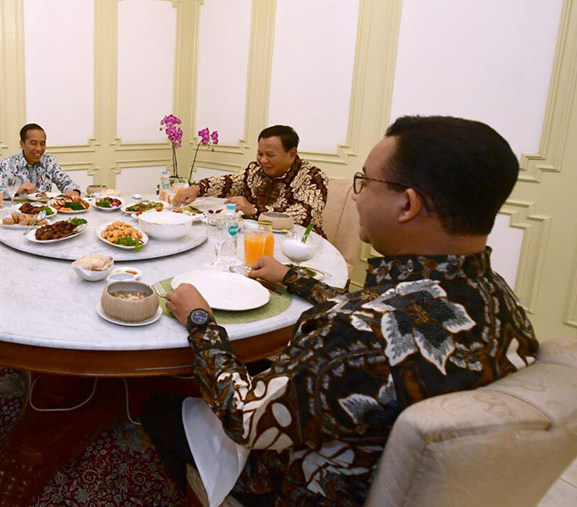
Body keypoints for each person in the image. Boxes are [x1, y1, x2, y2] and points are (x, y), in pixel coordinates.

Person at [142, 116, 538, 505]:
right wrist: (291, 277)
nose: (354, 195)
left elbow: (245, 420)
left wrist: (200, 320)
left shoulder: (356, 332)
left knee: (157, 406)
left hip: (295, 482)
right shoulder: (500, 300)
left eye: (365, 182)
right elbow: (378, 308)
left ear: (407, 204)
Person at [172, 125, 328, 236]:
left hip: (299, 245)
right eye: (260, 154)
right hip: (255, 237)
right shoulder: (255, 170)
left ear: (292, 154)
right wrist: (197, 189)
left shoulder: (313, 178)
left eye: (270, 155)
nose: (263, 160)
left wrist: (254, 210)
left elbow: (304, 215)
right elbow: (229, 183)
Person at [0, 123, 81, 199]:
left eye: (42, 143)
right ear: (22, 144)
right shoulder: (7, 165)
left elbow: (67, 183)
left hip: (45, 212)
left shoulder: (49, 161)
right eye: (33, 143)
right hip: (18, 213)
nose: (39, 148)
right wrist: (17, 189)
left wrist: (74, 191)